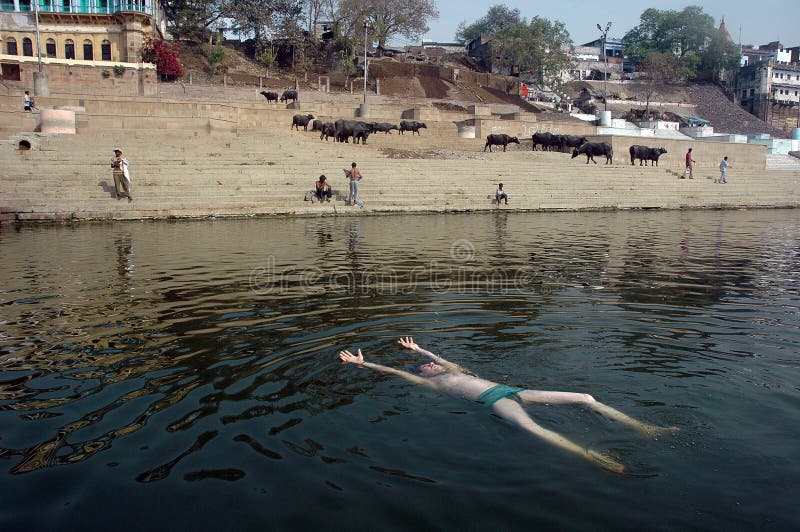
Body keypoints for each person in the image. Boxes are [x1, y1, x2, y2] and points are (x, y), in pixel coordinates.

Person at [339, 337, 678, 473]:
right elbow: (397, 373)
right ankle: (594, 456)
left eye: (431, 364)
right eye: (425, 368)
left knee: (586, 397)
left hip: (513, 388)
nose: (430, 366)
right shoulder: (434, 382)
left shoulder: (451, 369)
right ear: (425, 376)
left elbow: (442, 358)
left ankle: (645, 428)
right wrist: (364, 365)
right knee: (533, 428)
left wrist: (421, 351)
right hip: (493, 401)